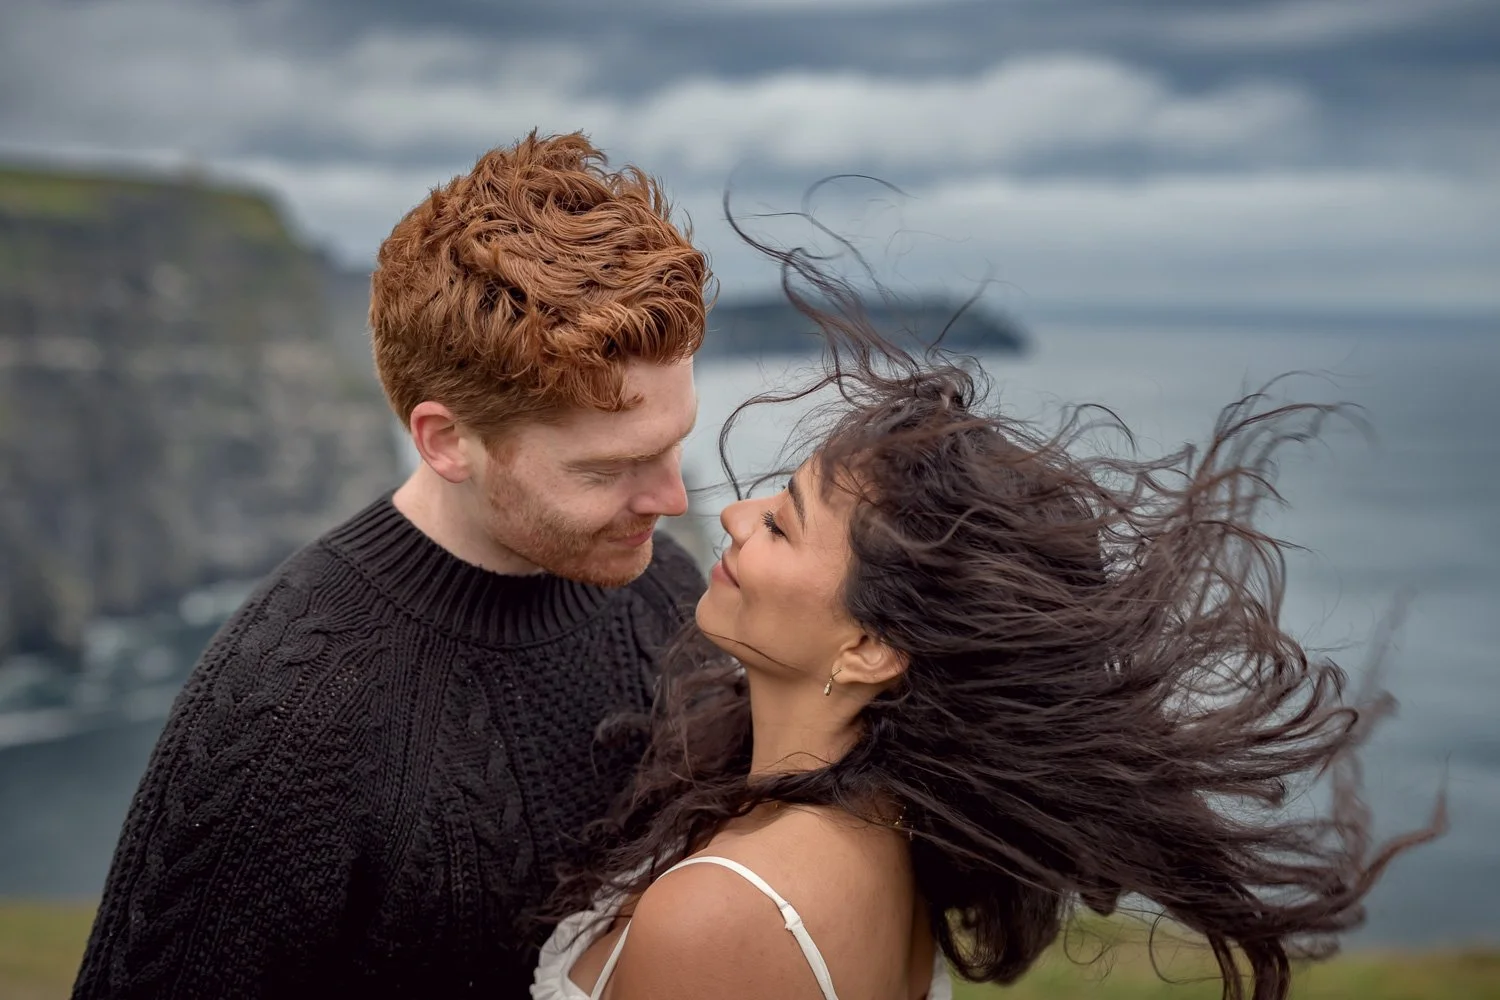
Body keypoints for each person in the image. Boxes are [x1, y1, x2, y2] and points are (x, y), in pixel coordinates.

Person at [532, 242, 1443, 1000]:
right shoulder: (887, 832)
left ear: (871, 646)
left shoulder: (723, 915)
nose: (730, 515)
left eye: (781, 522)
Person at [73, 131, 712, 999]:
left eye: (675, 442)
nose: (672, 500)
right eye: (606, 469)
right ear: (447, 440)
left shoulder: (671, 593)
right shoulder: (288, 709)